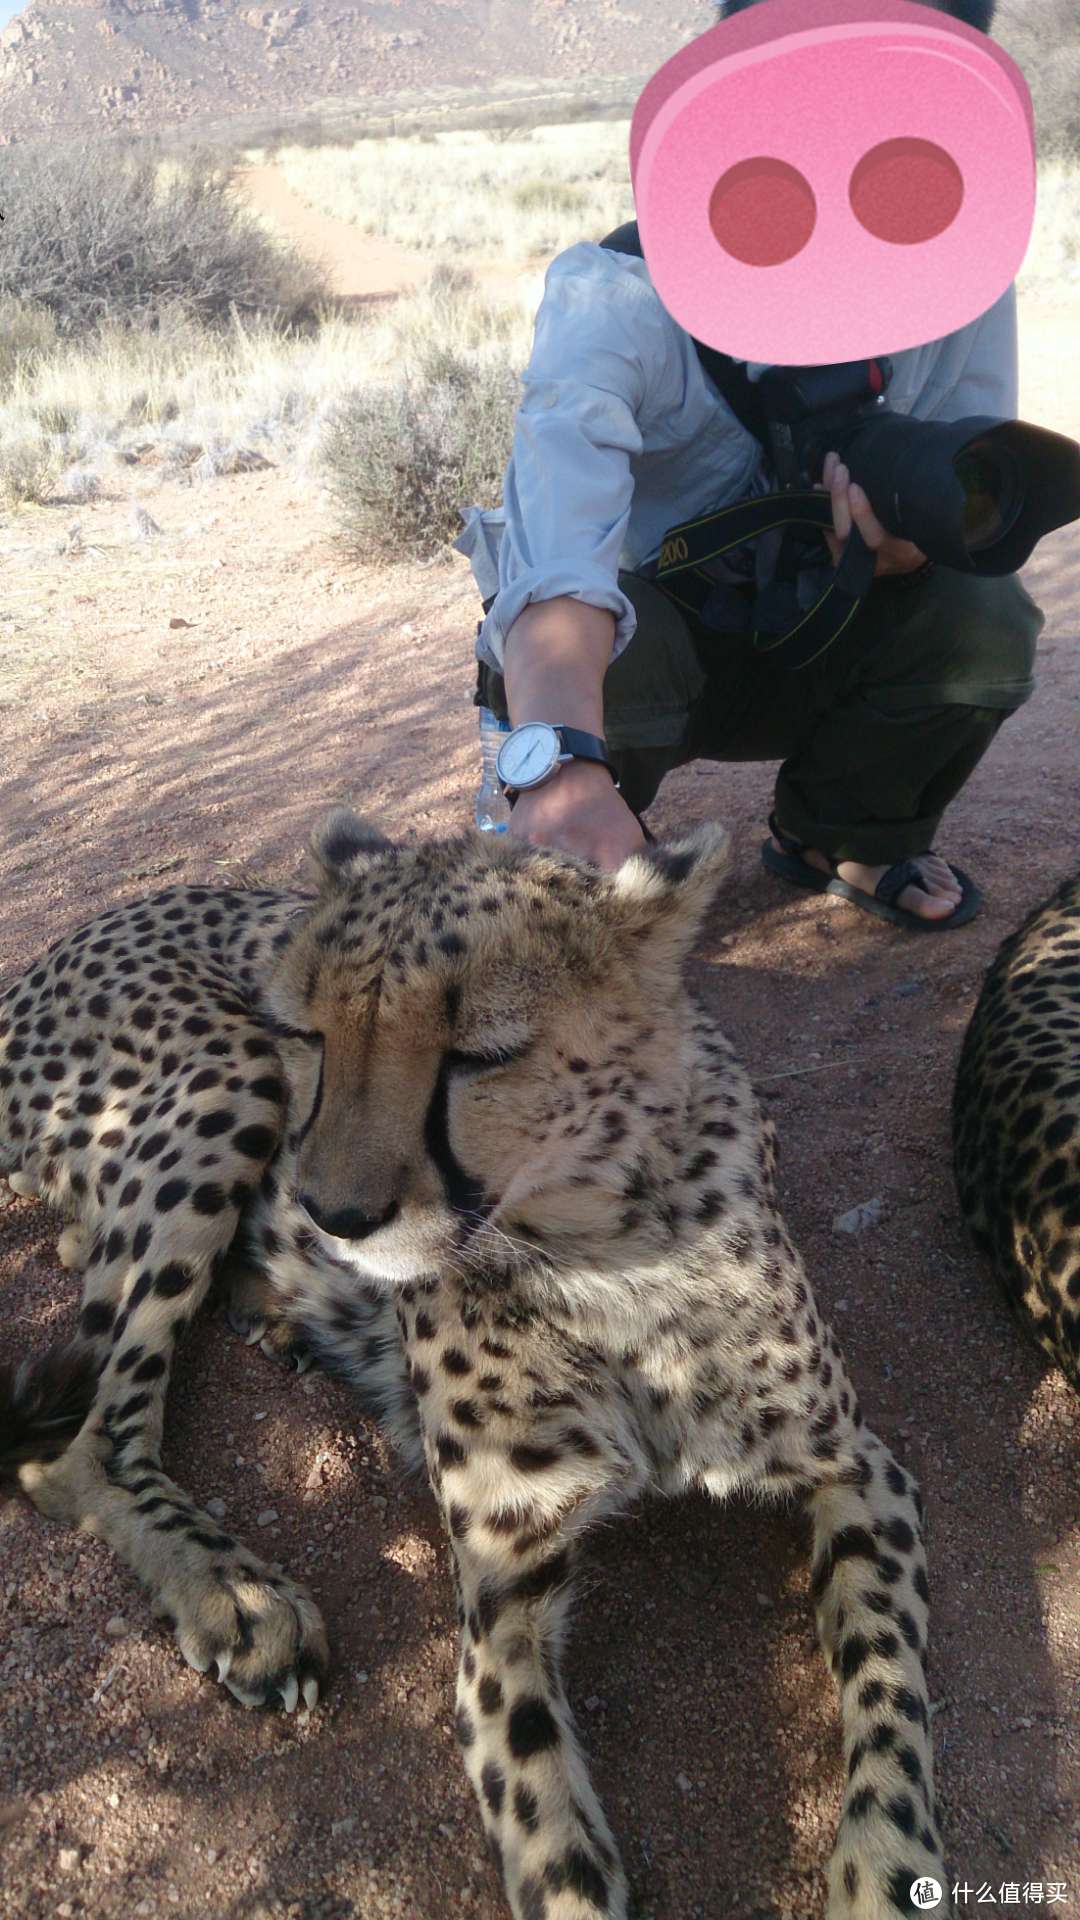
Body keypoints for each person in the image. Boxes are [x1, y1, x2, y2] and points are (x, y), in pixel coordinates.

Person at [453, 0, 1045, 928]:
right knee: (590, 638)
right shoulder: (616, 299)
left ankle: (840, 833)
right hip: (656, 657)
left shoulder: (961, 272)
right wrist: (562, 761)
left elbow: (969, 473)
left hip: (831, 620)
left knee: (984, 610)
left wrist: (905, 554)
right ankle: (584, 848)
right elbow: (554, 566)